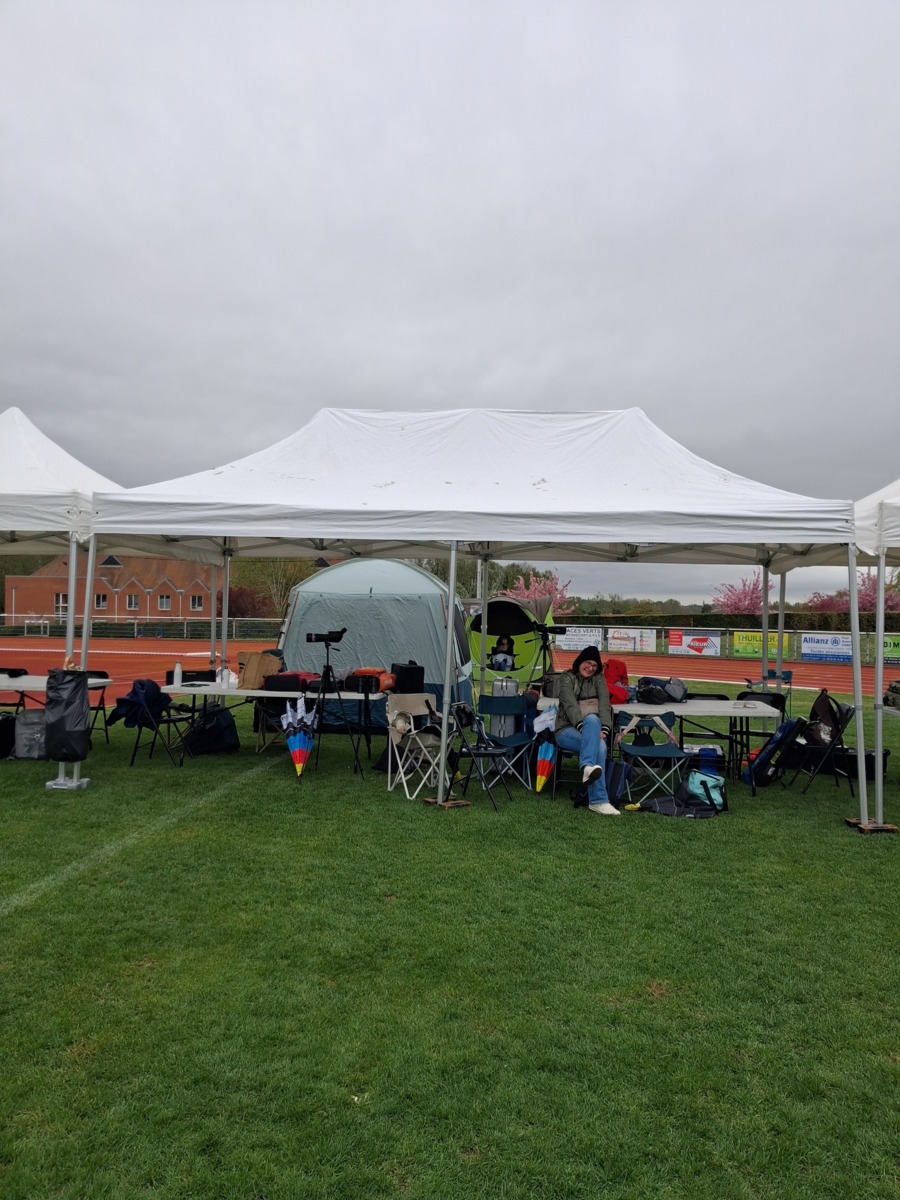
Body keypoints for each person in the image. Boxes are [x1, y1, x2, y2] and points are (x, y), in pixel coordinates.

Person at [555, 645, 619, 816]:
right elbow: (570, 705)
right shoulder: (567, 677)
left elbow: (605, 704)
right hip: (566, 729)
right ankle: (599, 800)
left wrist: (604, 730)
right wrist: (583, 729)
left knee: (592, 719)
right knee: (600, 746)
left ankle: (587, 768)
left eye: (594, 665)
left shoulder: (599, 679)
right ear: (580, 661)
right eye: (588, 663)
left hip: (593, 728)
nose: (590, 668)